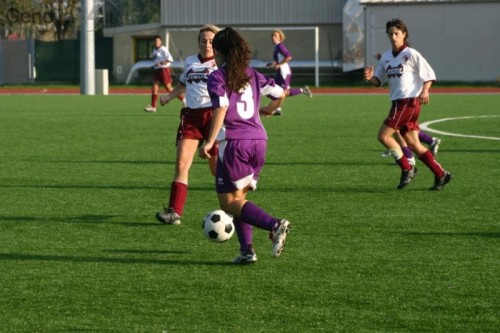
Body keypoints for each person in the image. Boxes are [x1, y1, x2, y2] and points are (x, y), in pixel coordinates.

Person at [198, 27, 290, 264]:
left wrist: (209, 141)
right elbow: (282, 92)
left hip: (236, 142)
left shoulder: (218, 76)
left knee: (228, 202)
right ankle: (247, 251)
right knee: (239, 200)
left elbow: (221, 107)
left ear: (219, 52)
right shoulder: (253, 74)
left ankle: (275, 224)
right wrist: (270, 109)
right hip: (259, 141)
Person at [363, 18, 451, 190]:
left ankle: (407, 167)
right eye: (390, 34)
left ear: (404, 34)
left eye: (397, 33)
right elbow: (378, 80)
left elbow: (429, 74)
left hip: (408, 103)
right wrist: (369, 79)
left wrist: (425, 90)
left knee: (383, 136)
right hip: (397, 104)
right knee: (413, 143)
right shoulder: (386, 57)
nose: (393, 37)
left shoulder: (411, 54)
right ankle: (441, 174)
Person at [154, 24, 220, 225]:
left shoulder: (221, 64)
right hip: (191, 117)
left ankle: (234, 205)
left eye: (211, 41)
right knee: (181, 163)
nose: (207, 44)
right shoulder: (191, 62)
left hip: (213, 117)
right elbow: (184, 83)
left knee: (216, 170)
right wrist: (169, 96)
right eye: (203, 40)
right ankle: (174, 212)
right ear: (198, 42)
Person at [267, 29, 312, 116]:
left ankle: (303, 90)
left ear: (280, 37)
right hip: (279, 72)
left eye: (275, 35)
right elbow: (280, 59)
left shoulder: (280, 46)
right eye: (272, 36)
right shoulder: (276, 47)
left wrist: (279, 65)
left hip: (284, 72)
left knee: (285, 92)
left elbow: (289, 57)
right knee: (275, 90)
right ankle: (277, 109)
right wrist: (272, 64)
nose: (273, 37)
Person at [144, 35, 184, 113]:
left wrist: (161, 63)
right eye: (155, 41)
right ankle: (153, 107)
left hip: (164, 70)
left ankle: (184, 100)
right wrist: (154, 65)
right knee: (154, 88)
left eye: (158, 41)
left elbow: (170, 59)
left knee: (168, 88)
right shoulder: (155, 49)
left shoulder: (163, 49)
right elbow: (157, 60)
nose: (156, 42)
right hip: (157, 70)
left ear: (160, 41)